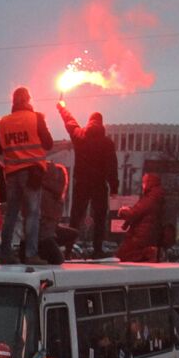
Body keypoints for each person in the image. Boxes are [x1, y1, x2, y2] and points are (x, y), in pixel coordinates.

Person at [0, 87, 53, 264]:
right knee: (32, 214)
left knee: (11, 214)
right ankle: (30, 254)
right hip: (32, 173)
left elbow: (0, 147)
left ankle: (4, 252)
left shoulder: (3, 122)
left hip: (12, 173)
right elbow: (48, 143)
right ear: (28, 99)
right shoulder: (36, 118)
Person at [57, 103, 119, 257]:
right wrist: (114, 188)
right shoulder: (107, 143)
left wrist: (62, 108)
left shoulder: (80, 135)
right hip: (99, 184)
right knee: (99, 217)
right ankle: (98, 250)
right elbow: (112, 166)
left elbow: (69, 122)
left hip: (82, 183)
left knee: (76, 217)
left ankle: (68, 249)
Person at [115, 172, 166, 262]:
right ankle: (148, 254)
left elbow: (135, 213)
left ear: (149, 183)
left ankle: (148, 252)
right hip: (149, 233)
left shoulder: (150, 198)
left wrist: (122, 211)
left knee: (123, 254)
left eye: (144, 182)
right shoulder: (157, 197)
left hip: (141, 234)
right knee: (133, 257)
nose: (142, 185)